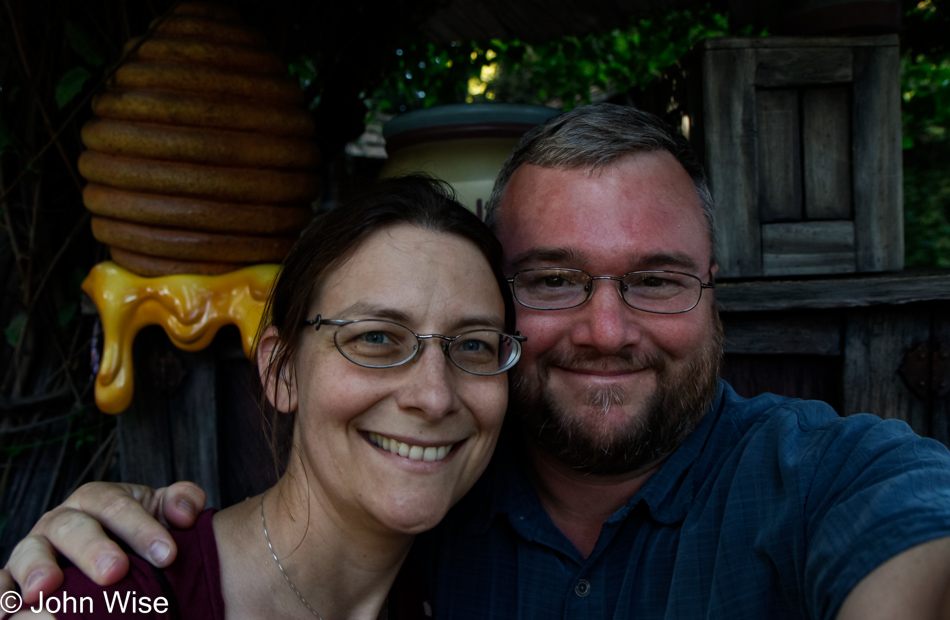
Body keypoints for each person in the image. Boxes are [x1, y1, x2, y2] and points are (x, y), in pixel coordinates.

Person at [6, 104, 950, 619]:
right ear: (280, 368)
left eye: (657, 279)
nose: (608, 330)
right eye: (552, 280)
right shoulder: (114, 588)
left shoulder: (829, 475)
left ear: (716, 292)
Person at [3, 175, 525, 618]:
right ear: (282, 371)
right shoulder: (110, 593)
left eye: (475, 345)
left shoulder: (442, 590)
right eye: (376, 338)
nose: (434, 397)